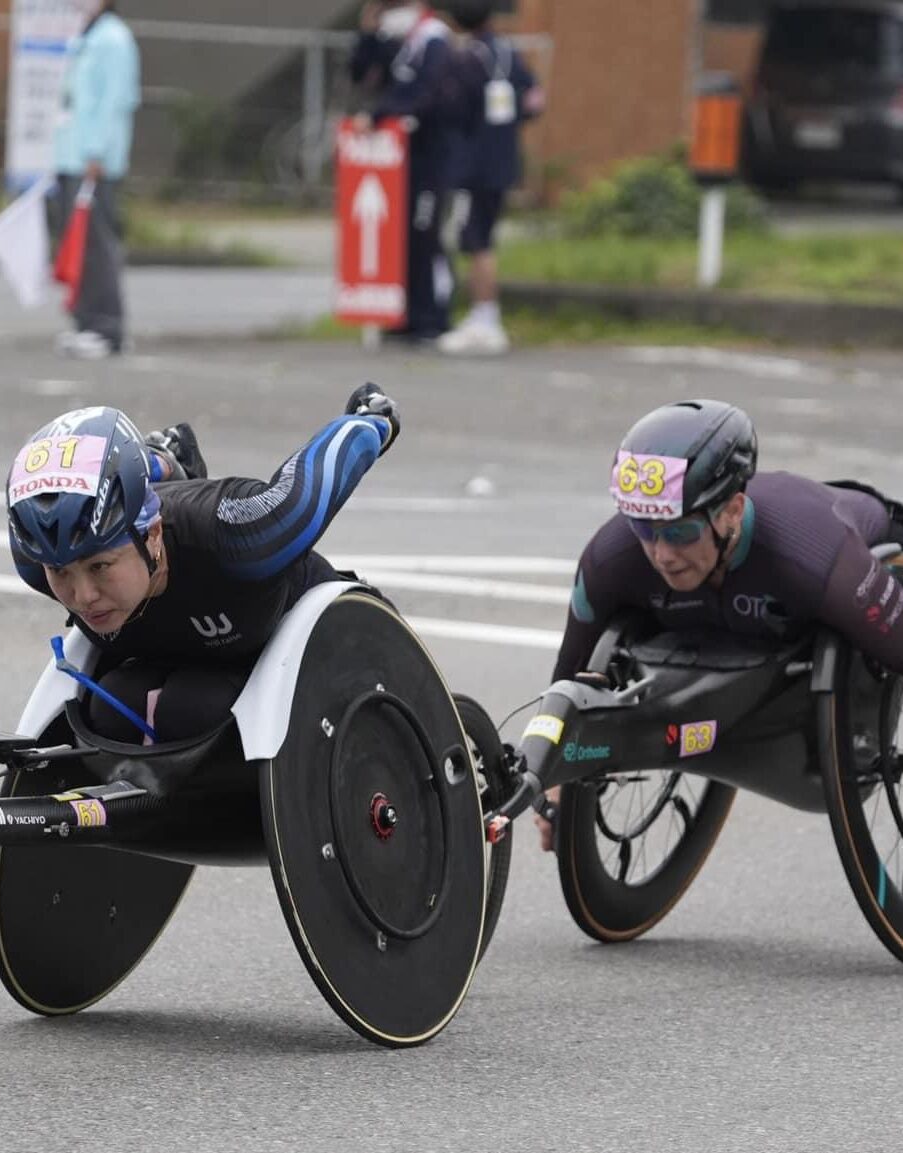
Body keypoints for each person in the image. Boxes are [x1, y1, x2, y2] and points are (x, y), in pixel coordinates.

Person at [535, 398, 903, 850]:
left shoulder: (809, 556)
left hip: (854, 558)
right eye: (644, 530)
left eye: (680, 532)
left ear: (732, 510)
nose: (662, 554)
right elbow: (570, 672)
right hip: (732, 619)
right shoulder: (611, 557)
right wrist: (554, 775)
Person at [6, 384, 401, 742]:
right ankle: (169, 461)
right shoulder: (36, 557)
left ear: (153, 535)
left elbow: (311, 484)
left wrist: (369, 422)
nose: (83, 596)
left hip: (297, 642)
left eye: (100, 567)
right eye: (61, 573)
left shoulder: (237, 533)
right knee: (110, 708)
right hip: (178, 658)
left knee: (193, 707)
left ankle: (168, 462)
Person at [350, 2, 477, 344]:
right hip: (408, 157)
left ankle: (433, 316)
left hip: (436, 156)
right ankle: (407, 316)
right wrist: (369, 33)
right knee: (407, 235)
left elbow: (424, 93)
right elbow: (363, 73)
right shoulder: (406, 43)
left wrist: (379, 117)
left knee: (428, 235)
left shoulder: (435, 41)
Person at [438, 0, 544, 358]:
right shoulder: (508, 52)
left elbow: (450, 110)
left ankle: (485, 318)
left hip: (473, 164)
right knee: (482, 235)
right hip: (503, 159)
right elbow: (533, 101)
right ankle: (482, 316)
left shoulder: (465, 58)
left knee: (475, 239)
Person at [49, 0, 140, 360]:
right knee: (79, 243)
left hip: (93, 159)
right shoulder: (88, 36)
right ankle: (85, 322)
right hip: (73, 155)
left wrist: (97, 151)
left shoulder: (114, 39)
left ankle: (107, 327)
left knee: (97, 244)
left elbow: (116, 101)